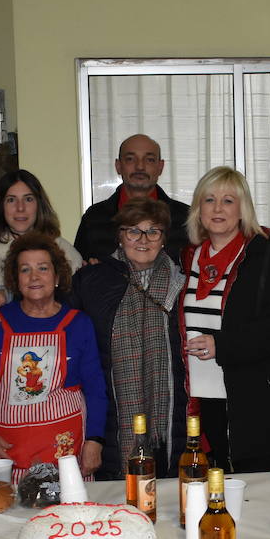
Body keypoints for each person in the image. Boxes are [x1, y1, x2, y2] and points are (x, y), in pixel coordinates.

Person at [180, 167, 270, 474]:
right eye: (209, 199)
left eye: (228, 200)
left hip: (254, 402)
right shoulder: (186, 258)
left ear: (242, 209)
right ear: (198, 209)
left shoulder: (266, 256)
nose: (218, 208)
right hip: (201, 402)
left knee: (254, 500)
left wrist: (223, 345)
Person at [0, 233, 108, 479]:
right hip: (6, 449)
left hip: (65, 449)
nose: (34, 277)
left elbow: (95, 388)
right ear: (15, 278)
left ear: (56, 276)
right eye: (25, 270)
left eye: (43, 268)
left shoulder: (78, 323)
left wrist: (95, 440)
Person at [69, 198, 187, 479]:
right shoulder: (92, 280)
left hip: (171, 417)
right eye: (133, 231)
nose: (143, 239)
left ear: (164, 238)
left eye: (153, 231)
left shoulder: (183, 283)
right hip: (112, 417)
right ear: (120, 237)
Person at [0, 170, 83, 319]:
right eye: (11, 200)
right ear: (0, 206)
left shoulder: (67, 253)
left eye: (28, 199)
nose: (20, 208)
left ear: (39, 204)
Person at [75, 134, 191, 264]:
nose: (140, 167)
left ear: (160, 167)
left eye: (149, 160)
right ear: (118, 166)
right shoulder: (94, 217)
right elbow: (78, 274)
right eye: (130, 159)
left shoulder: (186, 218)